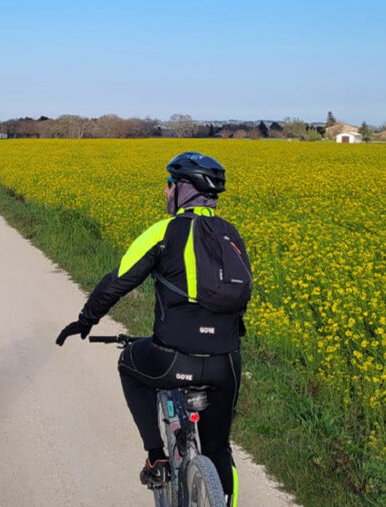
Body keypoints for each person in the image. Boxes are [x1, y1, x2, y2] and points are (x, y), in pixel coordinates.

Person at [56, 152, 249, 505]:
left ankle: (156, 456)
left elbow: (117, 282)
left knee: (129, 365)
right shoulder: (231, 235)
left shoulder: (165, 231)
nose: (165, 191)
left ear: (185, 191)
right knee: (219, 449)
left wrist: (85, 321)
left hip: (173, 359)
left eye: (170, 184)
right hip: (227, 363)